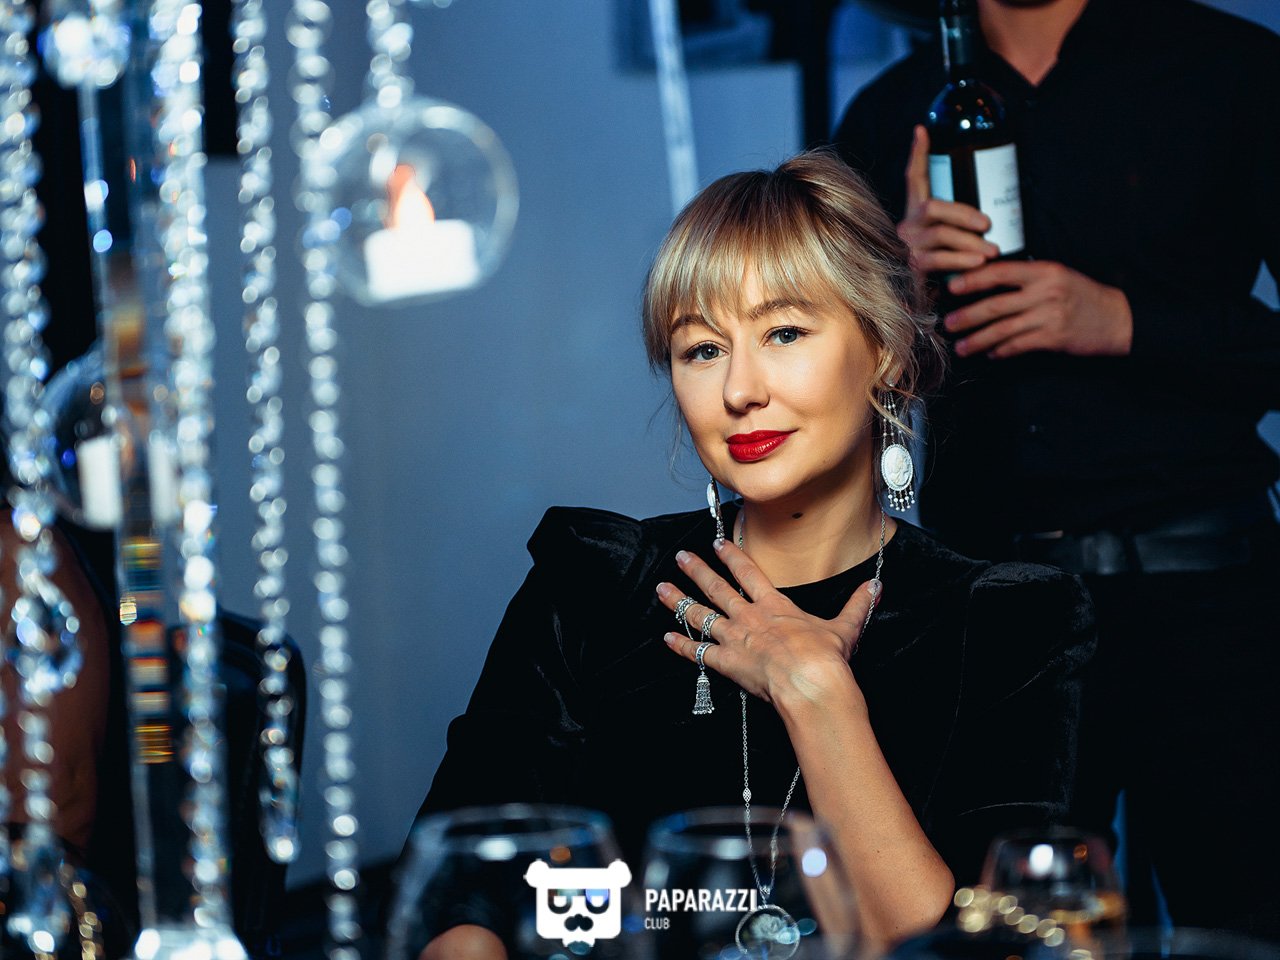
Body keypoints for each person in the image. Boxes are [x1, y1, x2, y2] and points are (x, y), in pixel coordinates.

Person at [409, 151, 1095, 958]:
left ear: (883, 347)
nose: (740, 390)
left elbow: (976, 948)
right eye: (702, 349)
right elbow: (455, 894)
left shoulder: (1012, 623)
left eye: (784, 332)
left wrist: (817, 696)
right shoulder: (595, 582)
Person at [832, 0, 1280, 939]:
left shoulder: (1233, 70)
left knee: (1243, 926)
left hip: (1212, 600)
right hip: (995, 616)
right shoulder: (892, 112)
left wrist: (1125, 322)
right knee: (1005, 934)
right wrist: (894, 292)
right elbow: (838, 389)